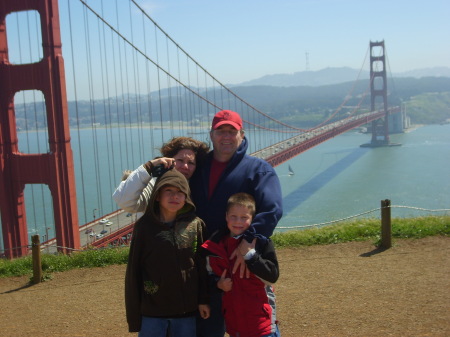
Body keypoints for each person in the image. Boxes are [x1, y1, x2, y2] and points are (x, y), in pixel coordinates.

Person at [189, 110, 283, 337]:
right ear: (211, 135)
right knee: (207, 327)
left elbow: (272, 210)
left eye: (232, 131)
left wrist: (247, 244)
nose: (226, 137)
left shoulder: (259, 169)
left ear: (242, 134)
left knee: (251, 326)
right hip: (208, 263)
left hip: (242, 265)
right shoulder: (197, 167)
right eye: (221, 131)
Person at [125, 168, 210, 336]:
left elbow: (202, 267)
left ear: (186, 198)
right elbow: (133, 272)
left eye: (180, 192)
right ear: (157, 196)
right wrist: (134, 317)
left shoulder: (195, 225)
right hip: (152, 313)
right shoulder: (144, 227)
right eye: (168, 191)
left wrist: (203, 300)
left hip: (186, 313)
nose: (175, 196)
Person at [201, 193, 280, 337]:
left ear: (253, 219)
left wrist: (250, 255)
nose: (238, 222)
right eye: (233, 216)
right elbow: (207, 278)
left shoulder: (262, 243)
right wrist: (219, 284)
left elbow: (271, 277)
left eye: (244, 217)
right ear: (226, 216)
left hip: (262, 326)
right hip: (234, 327)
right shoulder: (215, 246)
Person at [113, 137, 209, 216]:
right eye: (180, 160)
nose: (185, 166)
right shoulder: (154, 184)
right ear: (168, 159)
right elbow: (125, 202)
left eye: (191, 163)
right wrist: (148, 167)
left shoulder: (199, 187)